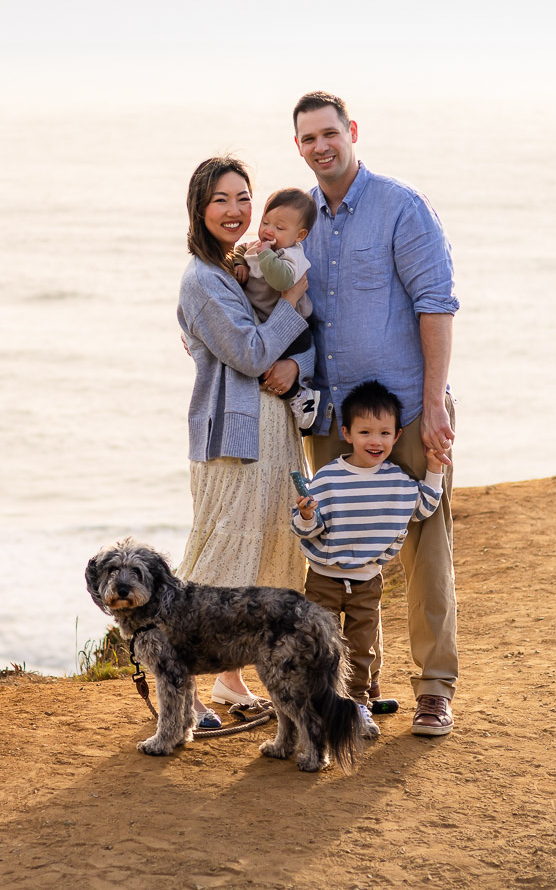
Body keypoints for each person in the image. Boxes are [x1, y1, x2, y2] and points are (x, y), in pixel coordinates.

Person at [282, 91, 463, 737]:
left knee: (423, 549)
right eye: (308, 139)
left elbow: (436, 304)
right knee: (338, 556)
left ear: (352, 131)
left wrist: (436, 402)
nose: (321, 146)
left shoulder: (400, 207)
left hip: (408, 416)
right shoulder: (304, 221)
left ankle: (435, 688)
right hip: (333, 420)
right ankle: (359, 684)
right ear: (298, 146)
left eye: (330, 132)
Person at [176, 156, 312, 726]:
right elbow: (253, 355)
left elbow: (280, 350)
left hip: (271, 432)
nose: (235, 212)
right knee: (220, 563)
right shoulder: (203, 281)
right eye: (220, 201)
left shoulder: (239, 268)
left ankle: (231, 679)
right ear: (199, 209)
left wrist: (296, 361)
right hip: (233, 440)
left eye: (242, 198)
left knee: (268, 557)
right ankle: (179, 687)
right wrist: (291, 300)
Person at [291, 380, 448, 739]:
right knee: (318, 646)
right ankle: (317, 707)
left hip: (367, 581)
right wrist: (306, 515)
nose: (374, 441)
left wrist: (435, 468)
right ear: (346, 433)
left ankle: (358, 704)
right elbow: (306, 529)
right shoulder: (328, 478)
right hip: (322, 579)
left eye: (384, 433)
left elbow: (424, 507)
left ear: (396, 437)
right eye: (365, 432)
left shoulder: (397, 480)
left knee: (360, 649)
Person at [228, 188, 321, 430]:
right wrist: (240, 262)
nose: (269, 230)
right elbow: (240, 249)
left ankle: (301, 396)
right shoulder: (257, 246)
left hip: (295, 328)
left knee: (267, 368)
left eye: (280, 228)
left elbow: (281, 281)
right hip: (268, 324)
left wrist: (266, 255)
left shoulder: (292, 256)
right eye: (265, 221)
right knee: (257, 366)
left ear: (299, 235)